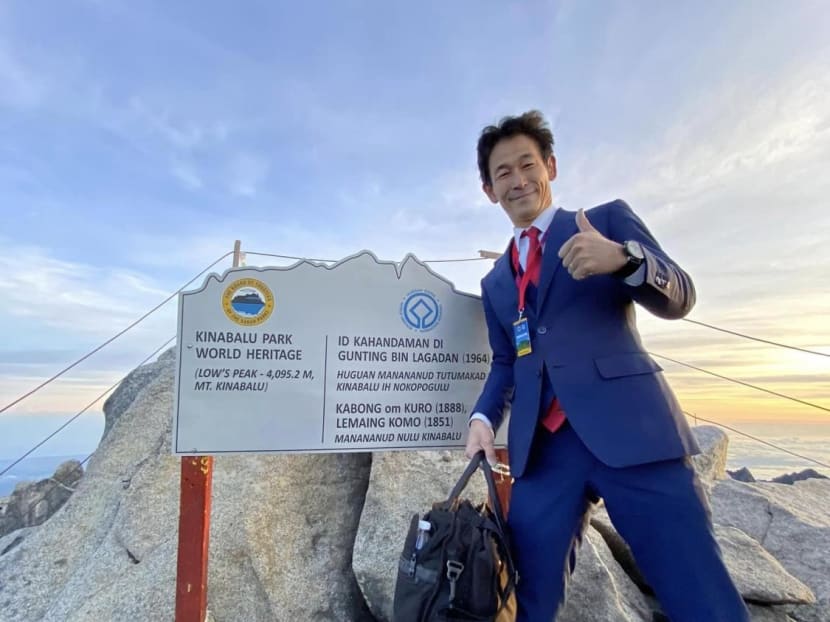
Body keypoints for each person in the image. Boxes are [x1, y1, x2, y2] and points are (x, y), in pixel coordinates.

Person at [464, 110, 749, 621]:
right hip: (543, 456)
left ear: (550, 166)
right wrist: (483, 418)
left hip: (635, 434)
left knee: (698, 593)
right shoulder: (495, 285)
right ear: (489, 190)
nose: (518, 180)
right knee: (525, 601)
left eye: (528, 164)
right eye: (502, 172)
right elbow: (506, 362)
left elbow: (681, 295)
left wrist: (624, 259)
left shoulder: (606, 222)